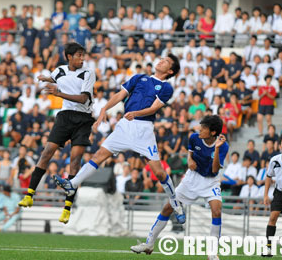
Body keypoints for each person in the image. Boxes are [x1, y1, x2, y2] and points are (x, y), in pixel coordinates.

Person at [54, 54, 185, 223]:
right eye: (162, 59)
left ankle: (176, 204)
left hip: (143, 129)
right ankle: (72, 184)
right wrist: (104, 109)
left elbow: (153, 108)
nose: (161, 61)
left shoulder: (166, 88)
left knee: (159, 173)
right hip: (125, 125)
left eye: (166, 61)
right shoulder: (140, 78)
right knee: (99, 155)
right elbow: (119, 95)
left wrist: (136, 113)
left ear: (170, 70)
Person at [18, 43, 96, 225]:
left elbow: (84, 98)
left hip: (83, 119)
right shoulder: (59, 70)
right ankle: (30, 195)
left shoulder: (88, 73)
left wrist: (59, 94)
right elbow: (56, 78)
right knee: (47, 152)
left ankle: (67, 208)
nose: (82, 58)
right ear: (69, 56)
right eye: (78, 55)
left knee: (75, 160)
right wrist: (46, 78)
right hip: (64, 118)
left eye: (83, 55)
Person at [130, 116, 228, 258]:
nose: (200, 129)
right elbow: (190, 152)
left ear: (213, 132)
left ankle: (212, 253)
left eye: (204, 128)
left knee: (217, 211)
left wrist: (217, 149)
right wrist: (189, 160)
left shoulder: (223, 146)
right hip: (192, 178)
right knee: (168, 207)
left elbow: (214, 170)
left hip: (210, 181)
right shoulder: (194, 138)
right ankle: (149, 243)